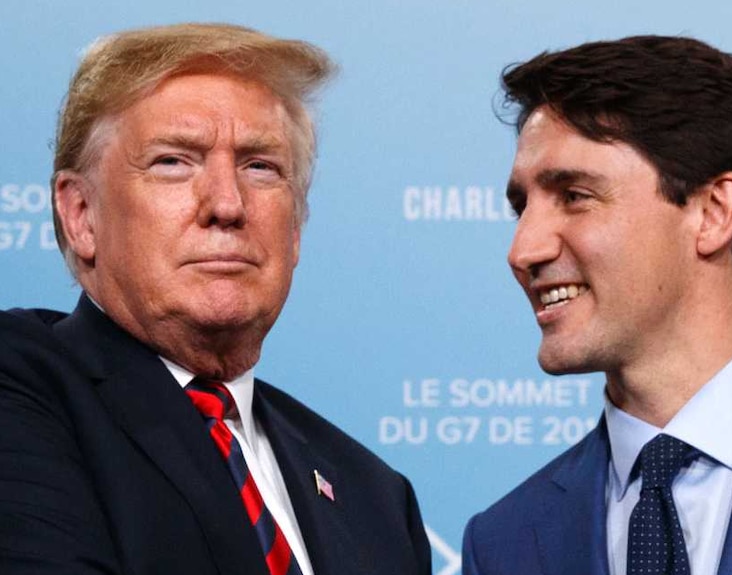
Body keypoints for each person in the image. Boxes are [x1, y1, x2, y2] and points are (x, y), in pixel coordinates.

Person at [0, 23, 430, 575]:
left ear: (296, 228)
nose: (227, 204)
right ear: (81, 214)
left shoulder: (375, 496)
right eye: (174, 161)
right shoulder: (24, 388)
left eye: (260, 167)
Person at [462, 35, 732, 575]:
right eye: (521, 207)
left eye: (575, 196)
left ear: (713, 212)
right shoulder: (504, 542)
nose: (523, 250)